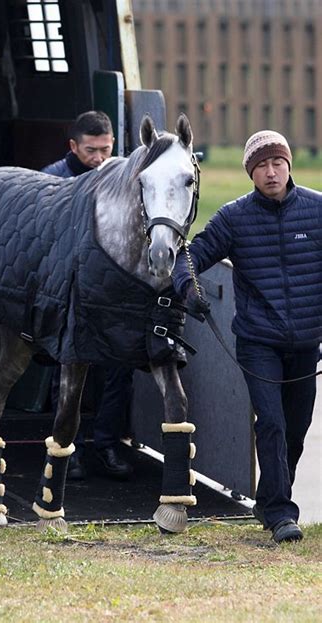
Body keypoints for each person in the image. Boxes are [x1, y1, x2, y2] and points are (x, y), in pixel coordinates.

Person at [172, 130, 322, 544]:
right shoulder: (233, 218)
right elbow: (190, 256)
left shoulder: (316, 209)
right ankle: (279, 513)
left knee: (295, 428)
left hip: (307, 343)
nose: (271, 172)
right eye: (261, 167)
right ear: (250, 174)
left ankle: (271, 498)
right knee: (270, 423)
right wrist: (190, 291)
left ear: (289, 166)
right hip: (258, 342)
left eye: (277, 163)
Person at [42, 110, 134, 481]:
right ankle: (68, 448)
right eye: (91, 150)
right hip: (67, 294)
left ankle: (108, 443)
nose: (99, 158)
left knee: (119, 371)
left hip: (110, 296)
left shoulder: (122, 179)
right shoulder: (50, 181)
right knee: (65, 374)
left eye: (106, 150)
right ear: (73, 146)